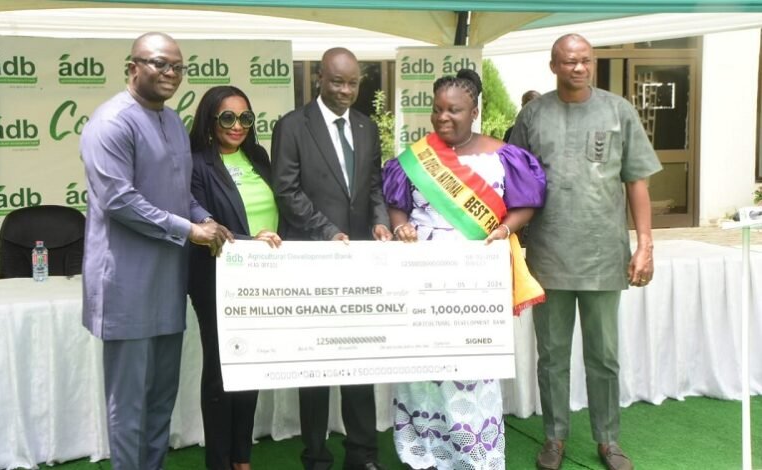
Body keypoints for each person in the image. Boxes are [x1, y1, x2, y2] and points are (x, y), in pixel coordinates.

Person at [508, 33, 662, 470]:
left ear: (591, 64)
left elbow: (637, 181)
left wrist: (645, 243)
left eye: (584, 61)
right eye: (568, 61)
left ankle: (608, 439)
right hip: (548, 255)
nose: (578, 68)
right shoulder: (532, 116)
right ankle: (554, 438)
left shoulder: (618, 111)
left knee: (604, 356)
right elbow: (515, 183)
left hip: (602, 255)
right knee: (552, 356)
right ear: (553, 66)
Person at [80, 32, 232, 469]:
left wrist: (205, 219)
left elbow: (179, 193)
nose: (170, 74)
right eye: (160, 64)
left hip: (168, 282)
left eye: (178, 67)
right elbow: (119, 201)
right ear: (133, 67)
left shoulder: (171, 122)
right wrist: (189, 230)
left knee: (161, 398)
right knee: (127, 405)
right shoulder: (111, 122)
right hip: (126, 284)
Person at [382, 69, 546, 470]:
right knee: (422, 366)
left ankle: (474, 455)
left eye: (454, 110)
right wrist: (400, 223)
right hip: (420, 272)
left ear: (474, 111)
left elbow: (528, 201)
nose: (443, 118)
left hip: (475, 274)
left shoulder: (502, 154)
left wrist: (507, 227)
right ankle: (422, 453)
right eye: (438, 110)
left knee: (471, 368)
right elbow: (397, 201)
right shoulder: (416, 158)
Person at [271, 47, 392, 470]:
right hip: (312, 260)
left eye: (352, 82)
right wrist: (326, 232)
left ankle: (362, 454)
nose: (345, 91)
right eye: (337, 81)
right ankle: (316, 456)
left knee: (360, 360)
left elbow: (374, 186)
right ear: (320, 79)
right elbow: (286, 190)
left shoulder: (366, 126)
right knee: (316, 364)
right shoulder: (292, 126)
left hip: (359, 260)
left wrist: (380, 223)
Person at [188, 86, 282, 470]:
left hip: (264, 278)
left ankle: (241, 456)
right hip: (216, 278)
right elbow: (203, 223)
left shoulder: (258, 156)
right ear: (211, 122)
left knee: (251, 364)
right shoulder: (196, 164)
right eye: (228, 117)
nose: (238, 125)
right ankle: (219, 460)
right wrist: (249, 241)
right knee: (220, 369)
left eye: (245, 118)